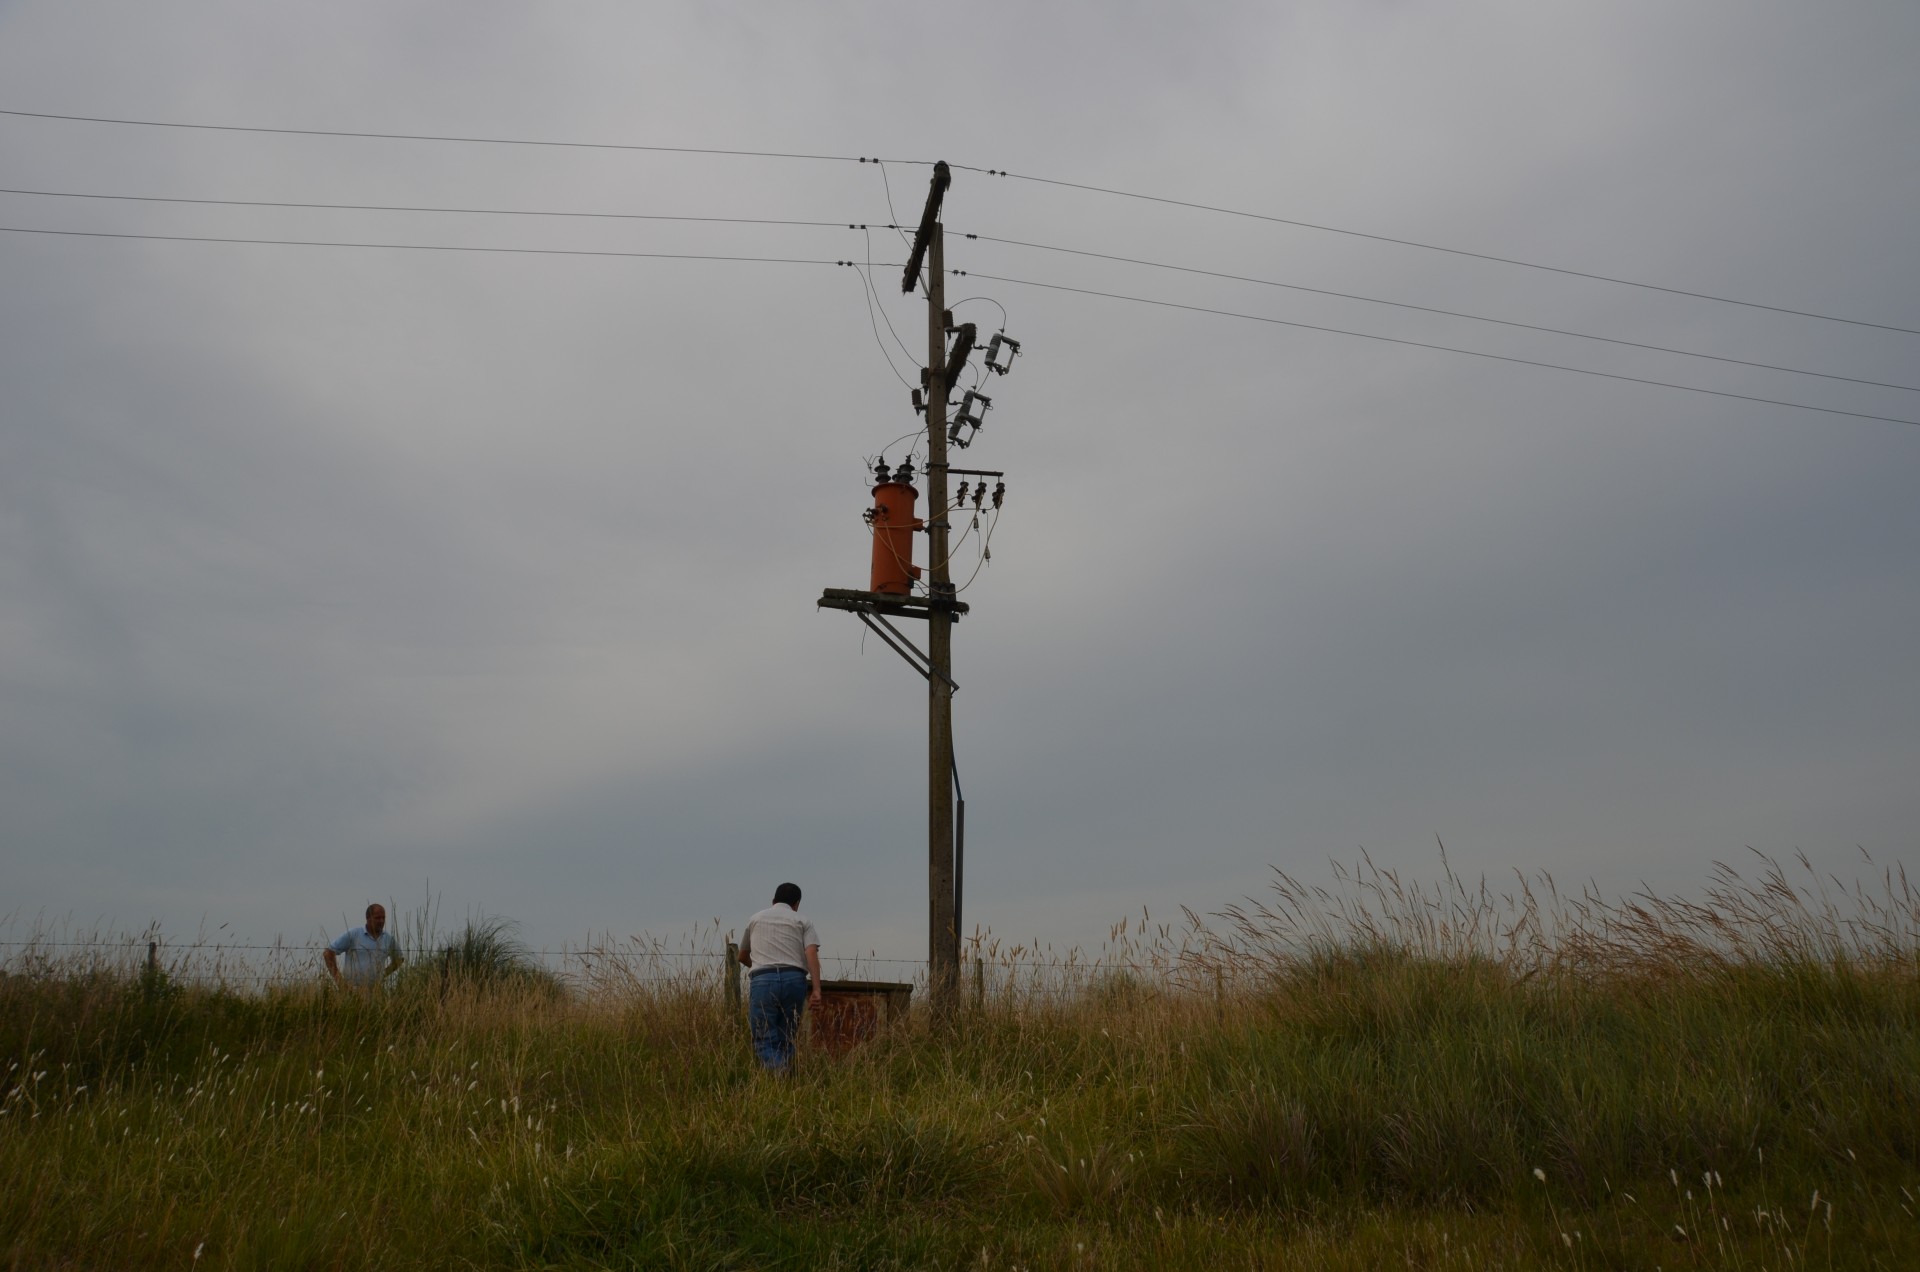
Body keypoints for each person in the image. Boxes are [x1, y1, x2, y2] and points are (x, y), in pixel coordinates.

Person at [738, 882, 822, 1072]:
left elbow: (742, 956)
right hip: (794, 978)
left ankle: (779, 1070)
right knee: (787, 1034)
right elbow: (811, 953)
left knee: (763, 1036)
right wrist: (816, 989)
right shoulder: (802, 920)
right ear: (797, 904)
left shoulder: (755, 919)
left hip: (763, 979)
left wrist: (760, 965)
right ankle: (784, 1073)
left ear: (773, 900)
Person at [324, 903, 404, 992]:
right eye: (377, 918)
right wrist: (339, 980)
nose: (381, 921)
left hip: (376, 990)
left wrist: (383, 974)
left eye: (383, 918)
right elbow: (328, 953)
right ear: (368, 918)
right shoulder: (354, 934)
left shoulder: (388, 939)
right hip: (352, 990)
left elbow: (399, 959)